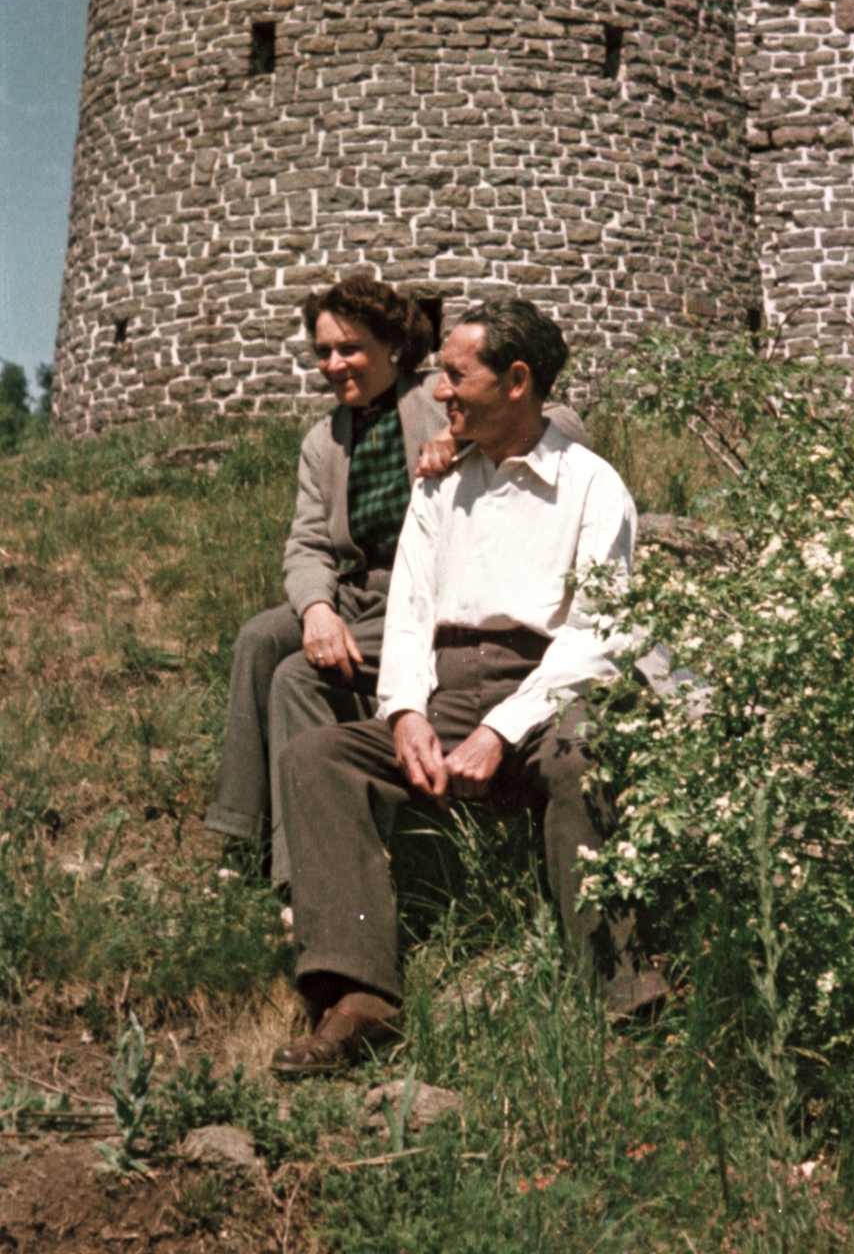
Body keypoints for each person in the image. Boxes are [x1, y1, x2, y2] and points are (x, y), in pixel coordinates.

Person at [269, 296, 664, 1075]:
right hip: (445, 689)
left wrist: (499, 731)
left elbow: (595, 632)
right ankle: (360, 999)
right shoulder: (442, 486)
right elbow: (410, 612)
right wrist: (407, 712)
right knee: (317, 759)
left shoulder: (591, 487)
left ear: (516, 380)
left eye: (454, 375)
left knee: (582, 762)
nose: (438, 392)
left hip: (552, 691)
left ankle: (626, 1007)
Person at [204, 277, 586, 886]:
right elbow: (307, 544)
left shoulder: (442, 397)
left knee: (298, 675)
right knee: (260, 637)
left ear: (392, 346)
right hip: (352, 594)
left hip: (418, 594)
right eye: (322, 352)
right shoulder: (323, 440)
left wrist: (455, 435)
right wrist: (316, 611)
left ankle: (300, 869)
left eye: (348, 348)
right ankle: (239, 836)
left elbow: (559, 419)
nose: (333, 364)